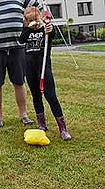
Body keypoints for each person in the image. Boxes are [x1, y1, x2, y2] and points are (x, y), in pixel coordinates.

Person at [18, 7, 71, 140]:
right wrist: (29, 28)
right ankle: (42, 124)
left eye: (35, 19)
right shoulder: (26, 31)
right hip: (29, 68)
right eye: (29, 20)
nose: (33, 22)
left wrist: (49, 29)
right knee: (36, 95)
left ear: (40, 18)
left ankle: (62, 128)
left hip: (43, 68)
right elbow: (21, 40)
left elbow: (52, 34)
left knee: (51, 96)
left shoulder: (45, 30)